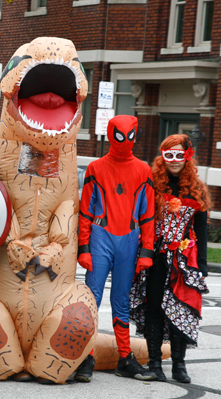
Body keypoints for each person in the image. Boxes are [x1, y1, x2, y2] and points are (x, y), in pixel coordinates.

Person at [76, 115, 156, 382]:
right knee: (92, 301)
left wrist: (147, 250)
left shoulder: (144, 170)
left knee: (120, 302)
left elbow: (148, 214)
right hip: (101, 238)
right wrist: (84, 247)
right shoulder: (95, 168)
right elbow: (85, 211)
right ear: (111, 135)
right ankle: (84, 357)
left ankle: (124, 357)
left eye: (129, 136)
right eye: (120, 136)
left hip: (128, 241)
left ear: (135, 134)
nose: (124, 142)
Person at [130, 134, 209, 383]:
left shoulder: (196, 189)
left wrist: (203, 265)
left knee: (180, 309)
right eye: (169, 155)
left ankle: (179, 365)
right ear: (162, 157)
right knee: (154, 307)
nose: (174, 160)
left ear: (187, 157)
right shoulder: (152, 184)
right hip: (155, 256)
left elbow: (202, 229)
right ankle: (154, 364)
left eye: (179, 155)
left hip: (184, 260)